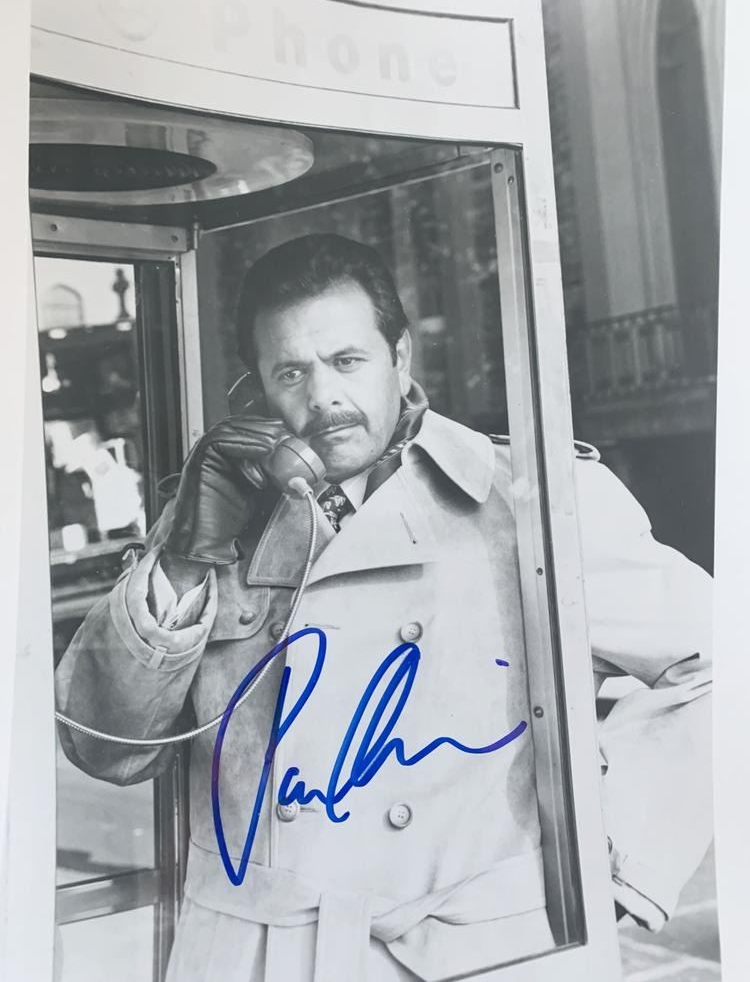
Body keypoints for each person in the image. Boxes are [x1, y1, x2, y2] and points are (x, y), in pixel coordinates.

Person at [55, 234, 713, 982]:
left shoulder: (528, 498)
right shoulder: (210, 519)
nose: (321, 397)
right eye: (291, 372)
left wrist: (619, 870)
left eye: (347, 361)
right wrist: (183, 557)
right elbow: (105, 747)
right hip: (257, 955)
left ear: (400, 358)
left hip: (476, 953)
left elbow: (715, 663)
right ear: (256, 390)